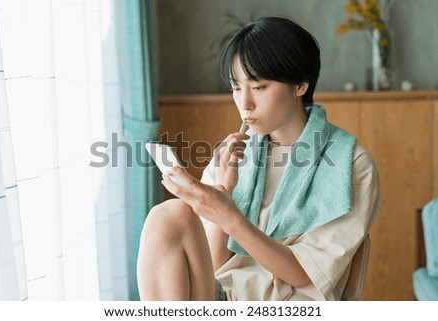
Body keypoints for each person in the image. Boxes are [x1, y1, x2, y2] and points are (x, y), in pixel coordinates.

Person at [137, 17, 382, 301]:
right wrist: (223, 192)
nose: (245, 104)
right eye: (236, 88)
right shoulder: (231, 157)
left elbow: (306, 273)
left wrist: (229, 216)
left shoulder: (352, 164)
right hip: (224, 299)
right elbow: (215, 267)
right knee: (167, 215)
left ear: (301, 85)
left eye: (259, 86)